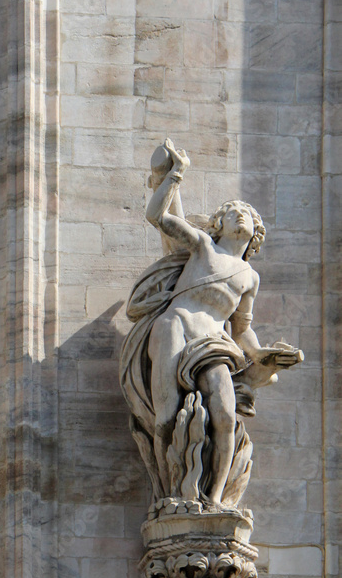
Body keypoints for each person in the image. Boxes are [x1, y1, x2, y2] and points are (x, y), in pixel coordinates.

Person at [120, 139, 303, 506]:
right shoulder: (204, 246)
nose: (239, 215)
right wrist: (174, 176)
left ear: (255, 232)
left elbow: (242, 329)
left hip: (214, 343)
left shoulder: (249, 277)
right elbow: (157, 217)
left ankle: (215, 498)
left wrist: (264, 354)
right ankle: (169, 494)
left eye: (246, 214)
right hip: (176, 325)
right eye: (231, 212)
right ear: (218, 224)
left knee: (224, 414)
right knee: (167, 416)